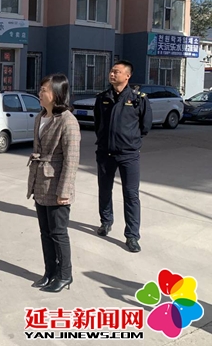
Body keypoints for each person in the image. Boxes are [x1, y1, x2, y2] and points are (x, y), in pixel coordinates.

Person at [27, 74, 81, 293]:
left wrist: (64, 191)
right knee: (45, 232)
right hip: (40, 182)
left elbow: (72, 159)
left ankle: (65, 275)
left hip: (57, 185)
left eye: (44, 90)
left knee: (58, 233)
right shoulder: (41, 117)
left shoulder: (68, 121)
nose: (40, 93)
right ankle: (49, 272)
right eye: (40, 89)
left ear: (57, 94)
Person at [94, 60, 152, 253]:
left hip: (129, 155)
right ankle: (106, 222)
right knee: (104, 190)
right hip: (105, 153)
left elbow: (145, 126)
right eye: (111, 71)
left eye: (116, 72)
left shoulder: (138, 99)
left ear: (127, 76)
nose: (112, 74)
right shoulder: (103, 97)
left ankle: (132, 236)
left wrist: (130, 142)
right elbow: (98, 123)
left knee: (131, 194)